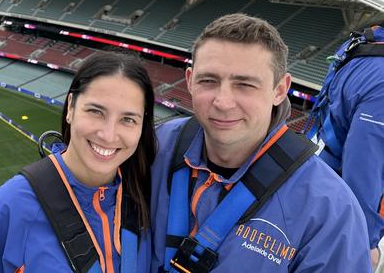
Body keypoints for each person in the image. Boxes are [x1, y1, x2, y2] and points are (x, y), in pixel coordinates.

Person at [150, 14, 370, 272]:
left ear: (279, 90)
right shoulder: (155, 146)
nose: (223, 102)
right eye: (208, 81)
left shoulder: (329, 209)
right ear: (189, 80)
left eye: (244, 85)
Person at [0, 51, 156, 272]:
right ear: (70, 107)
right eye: (96, 111)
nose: (108, 135)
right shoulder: (13, 204)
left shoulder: (147, 199)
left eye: (128, 119)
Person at [306, 25, 384, 271]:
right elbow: (364, 166)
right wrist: (366, 241)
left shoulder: (365, 45)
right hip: (339, 210)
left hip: (315, 179)